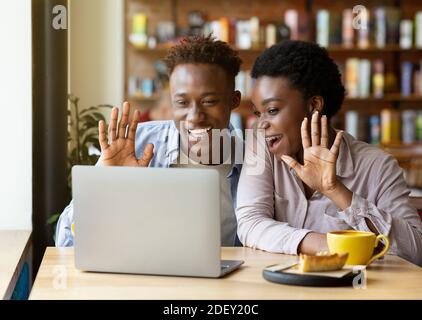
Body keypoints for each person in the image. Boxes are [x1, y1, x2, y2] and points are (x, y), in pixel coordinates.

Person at [236, 40, 422, 266]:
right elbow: (250, 224)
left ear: (314, 104)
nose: (261, 125)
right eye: (258, 113)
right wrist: (331, 246)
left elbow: (416, 251)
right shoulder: (260, 149)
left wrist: (335, 191)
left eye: (272, 110)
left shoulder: (377, 166)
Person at [56, 35, 244, 247]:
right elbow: (66, 242)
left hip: (223, 279)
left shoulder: (252, 161)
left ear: (233, 100)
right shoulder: (137, 145)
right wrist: (105, 183)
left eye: (209, 101)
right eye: (181, 102)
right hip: (141, 277)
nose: (194, 116)